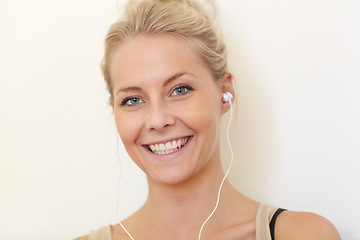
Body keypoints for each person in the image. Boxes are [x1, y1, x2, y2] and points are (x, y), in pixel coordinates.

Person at [75, 0, 341, 239]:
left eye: (180, 90)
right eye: (132, 100)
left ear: (225, 92)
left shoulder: (304, 235)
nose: (157, 120)